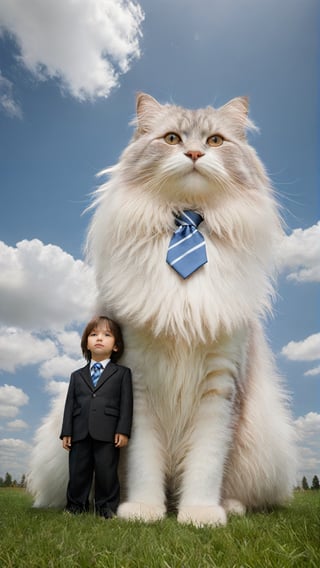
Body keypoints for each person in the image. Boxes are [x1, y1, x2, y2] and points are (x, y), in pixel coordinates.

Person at [60, 315, 133, 518]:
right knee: (77, 472)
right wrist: (66, 431)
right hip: (79, 431)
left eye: (106, 335)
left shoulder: (122, 374)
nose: (99, 338)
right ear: (86, 344)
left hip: (108, 432)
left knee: (107, 473)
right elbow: (69, 404)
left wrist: (123, 430)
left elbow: (127, 404)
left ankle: (107, 509)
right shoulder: (77, 376)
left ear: (116, 346)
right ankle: (75, 507)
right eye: (93, 334)